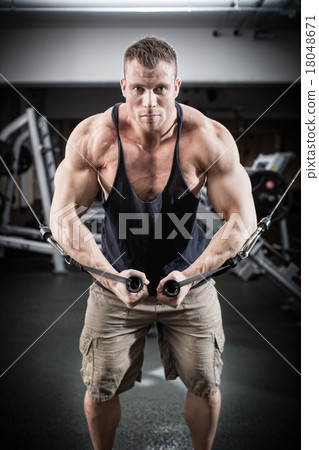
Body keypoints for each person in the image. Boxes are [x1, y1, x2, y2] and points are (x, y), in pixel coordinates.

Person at [50, 36, 256, 450]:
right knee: (100, 388)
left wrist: (193, 276)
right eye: (139, 88)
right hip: (114, 284)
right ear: (123, 86)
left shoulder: (208, 138)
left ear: (176, 87)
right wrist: (110, 278)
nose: (149, 102)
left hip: (191, 284)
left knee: (206, 383)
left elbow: (242, 220)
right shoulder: (93, 137)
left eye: (160, 88)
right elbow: (62, 217)